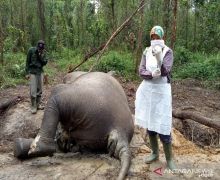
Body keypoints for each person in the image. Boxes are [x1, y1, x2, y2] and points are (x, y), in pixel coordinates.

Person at [135, 25, 175, 170]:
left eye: (157, 37)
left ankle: (170, 159)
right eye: (153, 37)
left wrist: (159, 61)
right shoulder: (146, 51)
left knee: (163, 125)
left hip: (162, 92)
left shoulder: (168, 51)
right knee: (151, 123)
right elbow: (141, 70)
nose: (155, 39)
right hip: (149, 91)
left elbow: (166, 71)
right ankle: (154, 153)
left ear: (162, 37)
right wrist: (151, 74)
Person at [25, 40, 47, 114]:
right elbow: (27, 62)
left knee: (39, 90)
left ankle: (38, 104)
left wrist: (40, 55)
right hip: (32, 72)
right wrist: (27, 73)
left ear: (43, 48)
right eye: (39, 48)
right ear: (37, 46)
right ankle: (33, 106)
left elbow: (44, 63)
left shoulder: (44, 53)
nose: (39, 49)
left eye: (41, 48)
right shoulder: (31, 50)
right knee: (33, 91)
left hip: (40, 72)